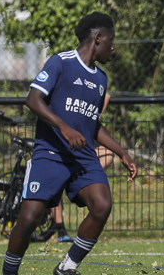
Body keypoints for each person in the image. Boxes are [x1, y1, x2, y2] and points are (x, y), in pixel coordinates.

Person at [0, 12, 138, 275]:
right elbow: (33, 99)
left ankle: (68, 267)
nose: (113, 47)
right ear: (98, 38)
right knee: (30, 218)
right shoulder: (61, 62)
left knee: (102, 205)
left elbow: (92, 124)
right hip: (50, 153)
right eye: (111, 41)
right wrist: (64, 127)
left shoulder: (101, 78)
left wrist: (122, 152)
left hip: (83, 157)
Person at [37, 92, 114, 243]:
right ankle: (61, 231)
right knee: (54, 187)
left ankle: (78, 180)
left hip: (81, 152)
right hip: (60, 151)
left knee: (108, 153)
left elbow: (106, 96)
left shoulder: (87, 90)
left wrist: (95, 115)